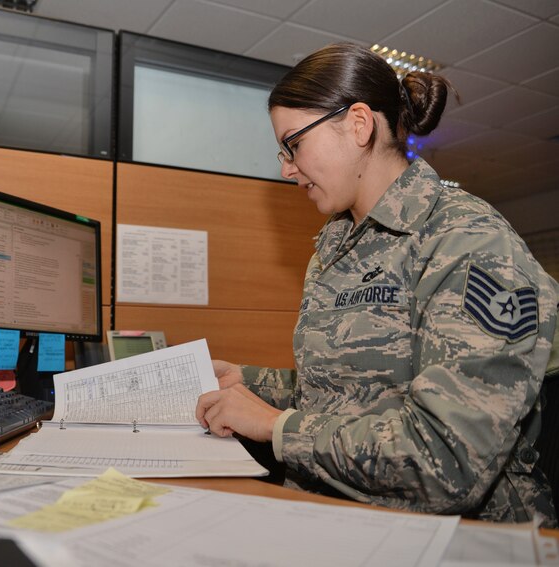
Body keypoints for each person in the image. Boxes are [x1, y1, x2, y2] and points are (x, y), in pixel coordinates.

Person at [195, 42, 559, 525]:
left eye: (294, 144)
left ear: (359, 124)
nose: (286, 168)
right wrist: (248, 381)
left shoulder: (467, 242)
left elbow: (446, 460)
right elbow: (352, 393)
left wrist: (276, 427)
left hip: (459, 541)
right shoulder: (339, 242)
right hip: (342, 519)